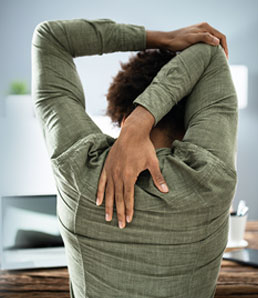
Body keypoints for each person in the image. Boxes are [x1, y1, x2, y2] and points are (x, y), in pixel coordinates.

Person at [31, 18, 237, 298]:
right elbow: (210, 52)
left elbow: (51, 36)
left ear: (122, 118)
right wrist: (145, 115)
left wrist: (163, 38)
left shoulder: (79, 167)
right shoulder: (210, 177)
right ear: (192, 117)